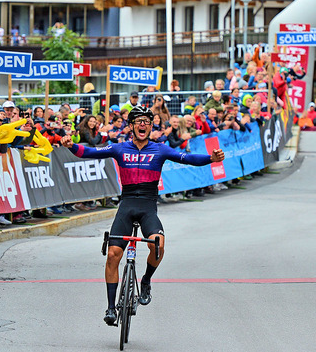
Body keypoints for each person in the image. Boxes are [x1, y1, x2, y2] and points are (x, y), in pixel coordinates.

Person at [60, 106, 225, 326]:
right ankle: (111, 308)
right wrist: (71, 146)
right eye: (138, 121)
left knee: (158, 244)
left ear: (150, 126)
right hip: (126, 204)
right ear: (131, 126)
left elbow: (187, 158)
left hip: (148, 205)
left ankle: (146, 280)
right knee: (113, 255)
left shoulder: (160, 149)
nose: (142, 125)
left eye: (147, 121)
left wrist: (210, 158)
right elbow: (91, 152)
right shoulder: (119, 148)